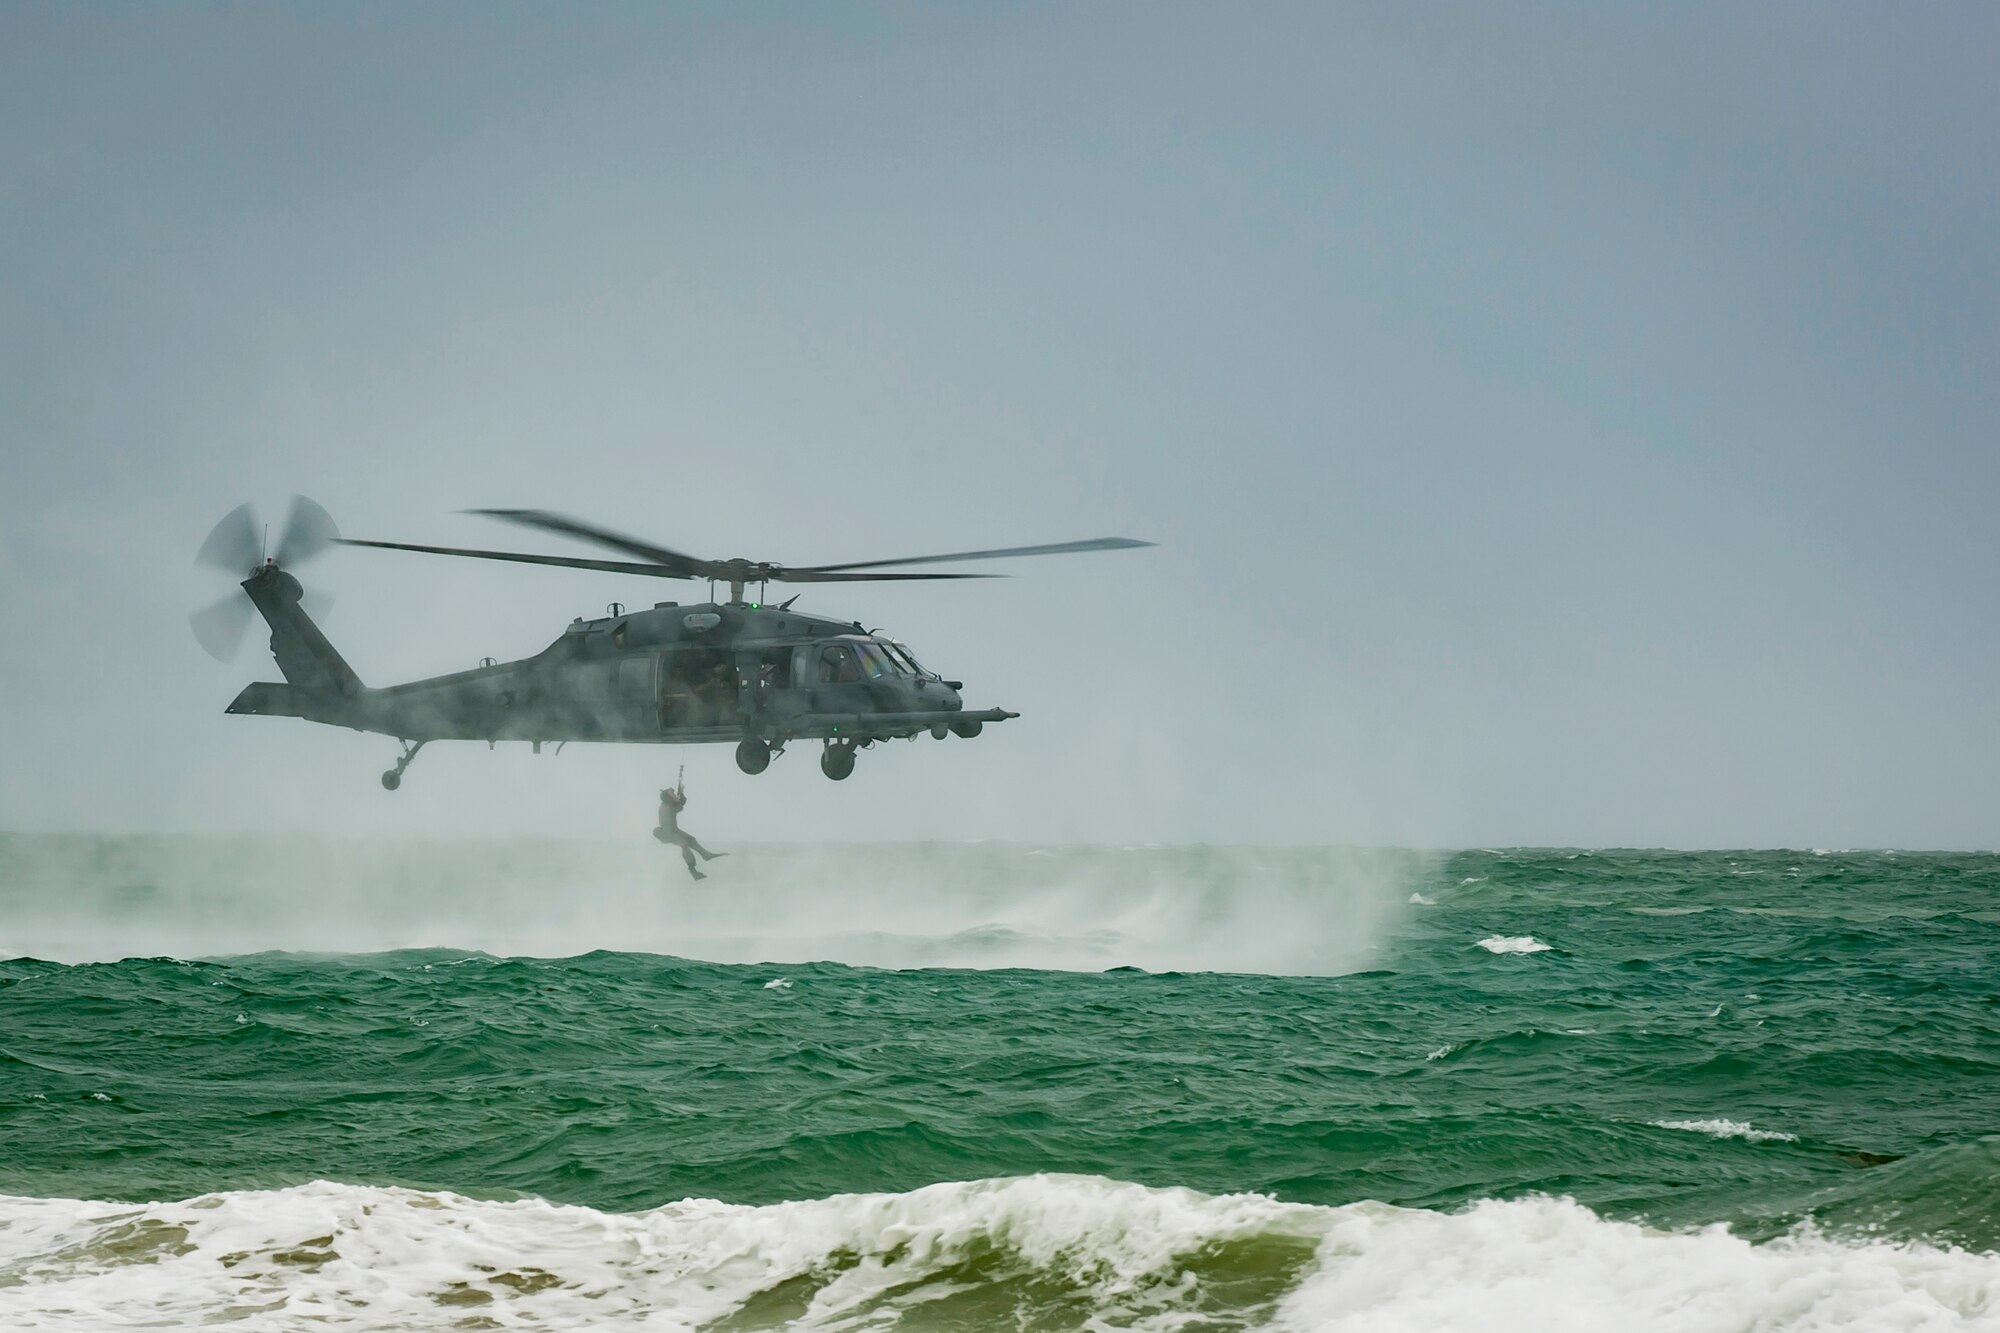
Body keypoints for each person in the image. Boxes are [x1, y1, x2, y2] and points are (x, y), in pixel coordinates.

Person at [654, 782, 724, 880]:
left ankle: (706, 855)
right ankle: (693, 872)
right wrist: (681, 793)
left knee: (691, 840)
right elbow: (680, 805)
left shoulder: (668, 803)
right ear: (668, 797)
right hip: (668, 833)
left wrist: (680, 794)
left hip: (673, 830)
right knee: (684, 845)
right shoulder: (667, 806)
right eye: (672, 794)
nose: (674, 795)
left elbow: (679, 803)